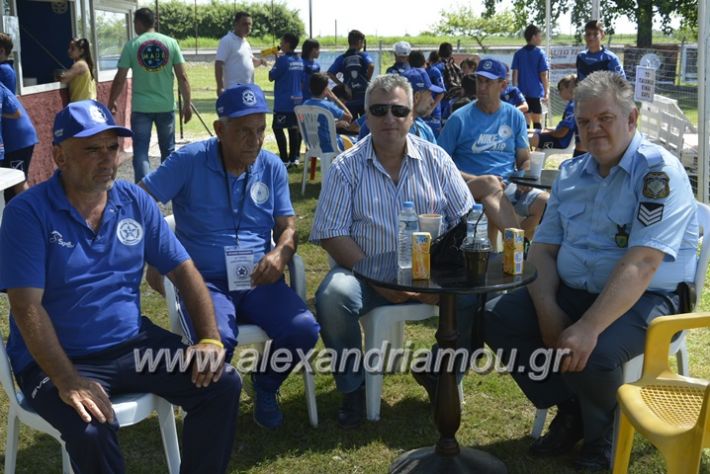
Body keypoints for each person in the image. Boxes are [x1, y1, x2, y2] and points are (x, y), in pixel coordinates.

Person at [0, 99, 241, 473]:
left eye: (112, 147)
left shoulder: (134, 201)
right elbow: (26, 307)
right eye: (92, 149)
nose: (108, 159)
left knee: (221, 383)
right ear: (59, 157)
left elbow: (185, 271)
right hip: (55, 359)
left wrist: (209, 338)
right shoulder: (27, 213)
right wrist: (68, 380)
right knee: (92, 430)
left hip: (132, 346)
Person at [484, 71, 698, 471]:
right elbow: (542, 253)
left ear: (631, 119)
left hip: (650, 297)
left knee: (592, 349)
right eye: (584, 121)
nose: (593, 129)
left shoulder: (657, 173)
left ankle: (605, 435)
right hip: (576, 289)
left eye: (605, 118)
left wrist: (586, 327)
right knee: (497, 317)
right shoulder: (571, 174)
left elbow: (643, 263)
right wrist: (548, 310)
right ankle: (573, 408)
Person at [140, 84, 320, 430]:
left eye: (259, 131)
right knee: (217, 339)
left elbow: (288, 225)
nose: (253, 140)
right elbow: (140, 202)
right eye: (243, 132)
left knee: (303, 329)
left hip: (257, 279)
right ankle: (213, 409)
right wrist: (159, 257)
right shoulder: (190, 160)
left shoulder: (270, 166)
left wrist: (281, 253)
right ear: (220, 130)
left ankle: (265, 383)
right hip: (202, 281)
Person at [310, 74, 475, 428]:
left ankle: (439, 374)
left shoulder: (437, 159)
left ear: (412, 116)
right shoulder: (346, 166)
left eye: (399, 110)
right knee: (332, 296)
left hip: (430, 276)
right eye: (379, 110)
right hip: (364, 274)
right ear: (365, 116)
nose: (389, 119)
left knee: (476, 300)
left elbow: (466, 218)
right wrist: (379, 279)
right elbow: (331, 233)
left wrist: (439, 281)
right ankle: (353, 387)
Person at [438, 58, 548, 240]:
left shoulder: (514, 116)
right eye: (480, 80)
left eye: (488, 82)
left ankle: (516, 247)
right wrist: (477, 179)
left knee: (546, 203)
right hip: (468, 188)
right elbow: (439, 165)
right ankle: (517, 247)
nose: (482, 87)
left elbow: (523, 159)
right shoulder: (459, 118)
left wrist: (524, 178)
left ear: (503, 85)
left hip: (509, 186)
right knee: (489, 183)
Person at [107, 7, 192, 183]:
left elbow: (120, 78)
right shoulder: (171, 43)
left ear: (138, 23)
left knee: (141, 152)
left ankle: (143, 192)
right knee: (168, 150)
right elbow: (182, 76)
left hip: (141, 107)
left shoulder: (132, 45)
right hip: (165, 106)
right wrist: (187, 103)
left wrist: (112, 100)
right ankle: (168, 186)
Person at [269, 33, 304, 166]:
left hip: (284, 102)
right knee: (293, 128)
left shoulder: (283, 60)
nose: (280, 44)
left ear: (288, 44)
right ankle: (294, 157)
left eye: (282, 42)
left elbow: (271, 76)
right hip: (298, 101)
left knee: (277, 127)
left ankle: (284, 158)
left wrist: (276, 61)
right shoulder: (299, 59)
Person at [529, 75, 585, 156]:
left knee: (526, 139)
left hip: (560, 142)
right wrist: (549, 131)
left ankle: (522, 163)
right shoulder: (572, 104)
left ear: (570, 89)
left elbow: (562, 133)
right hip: (557, 138)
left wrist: (549, 132)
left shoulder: (572, 107)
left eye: (561, 89)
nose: (559, 93)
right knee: (528, 132)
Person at [0, 82, 37, 202]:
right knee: (11, 187)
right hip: (19, 138)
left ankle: (32, 216)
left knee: (18, 183)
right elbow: (15, 112)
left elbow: (16, 114)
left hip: (18, 141)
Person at [215, 11, 267, 95]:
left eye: (250, 24)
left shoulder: (245, 43)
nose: (248, 27)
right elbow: (218, 64)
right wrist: (220, 87)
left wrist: (260, 61)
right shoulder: (227, 40)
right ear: (236, 24)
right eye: (245, 24)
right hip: (233, 90)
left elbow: (250, 62)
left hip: (248, 91)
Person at [327, 29, 374, 118]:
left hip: (349, 96)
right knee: (366, 124)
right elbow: (371, 65)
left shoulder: (342, 58)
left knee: (351, 125)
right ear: (359, 41)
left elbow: (330, 73)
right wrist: (367, 79)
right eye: (362, 42)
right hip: (364, 96)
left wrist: (343, 85)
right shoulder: (363, 55)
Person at [512, 24, 550, 130]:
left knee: (526, 119)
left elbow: (515, 72)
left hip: (522, 92)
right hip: (536, 92)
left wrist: (515, 89)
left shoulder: (519, 54)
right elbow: (543, 74)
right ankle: (537, 145)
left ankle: (526, 144)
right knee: (537, 120)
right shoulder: (540, 53)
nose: (541, 38)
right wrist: (547, 91)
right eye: (539, 35)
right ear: (533, 37)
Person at [303, 72, 353, 152]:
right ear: (326, 89)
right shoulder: (327, 105)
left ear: (310, 88)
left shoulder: (304, 105)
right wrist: (334, 98)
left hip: (312, 145)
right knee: (356, 140)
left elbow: (317, 126)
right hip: (330, 145)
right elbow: (349, 117)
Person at [60, 38, 97, 102]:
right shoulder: (86, 64)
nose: (69, 51)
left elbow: (63, 79)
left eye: (72, 48)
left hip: (82, 105)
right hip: (90, 104)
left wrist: (57, 74)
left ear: (81, 51)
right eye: (69, 48)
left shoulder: (80, 64)